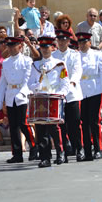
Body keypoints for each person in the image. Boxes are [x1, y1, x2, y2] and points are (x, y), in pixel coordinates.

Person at [28, 36, 70, 168]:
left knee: (55, 128)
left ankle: (60, 152)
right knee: (41, 129)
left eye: (47, 47)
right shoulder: (35, 65)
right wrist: (37, 85)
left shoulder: (59, 64)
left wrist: (61, 94)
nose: (45, 50)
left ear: (52, 48)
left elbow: (65, 82)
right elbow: (29, 83)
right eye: (42, 47)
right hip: (40, 97)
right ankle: (45, 157)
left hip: (53, 98)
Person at [0, 37, 38, 163]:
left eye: (14, 45)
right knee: (13, 125)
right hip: (10, 95)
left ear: (20, 46)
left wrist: (24, 92)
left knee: (24, 123)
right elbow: (3, 82)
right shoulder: (6, 62)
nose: (11, 48)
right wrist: (0, 100)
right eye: (9, 46)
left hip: (22, 93)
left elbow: (27, 79)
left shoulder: (26, 60)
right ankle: (17, 153)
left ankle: (33, 147)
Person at [77, 32, 102, 160]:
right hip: (81, 91)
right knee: (84, 122)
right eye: (80, 42)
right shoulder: (76, 56)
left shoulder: (97, 55)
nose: (82, 45)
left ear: (89, 43)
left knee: (94, 121)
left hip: (95, 90)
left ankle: (98, 148)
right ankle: (87, 150)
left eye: (84, 42)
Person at [53, 29, 85, 162]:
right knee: (61, 125)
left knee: (75, 123)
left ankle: (79, 148)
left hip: (72, 94)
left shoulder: (74, 54)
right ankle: (64, 151)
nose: (61, 42)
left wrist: (72, 82)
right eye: (59, 40)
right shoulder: (53, 56)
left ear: (68, 41)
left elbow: (78, 70)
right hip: (59, 95)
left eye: (64, 40)